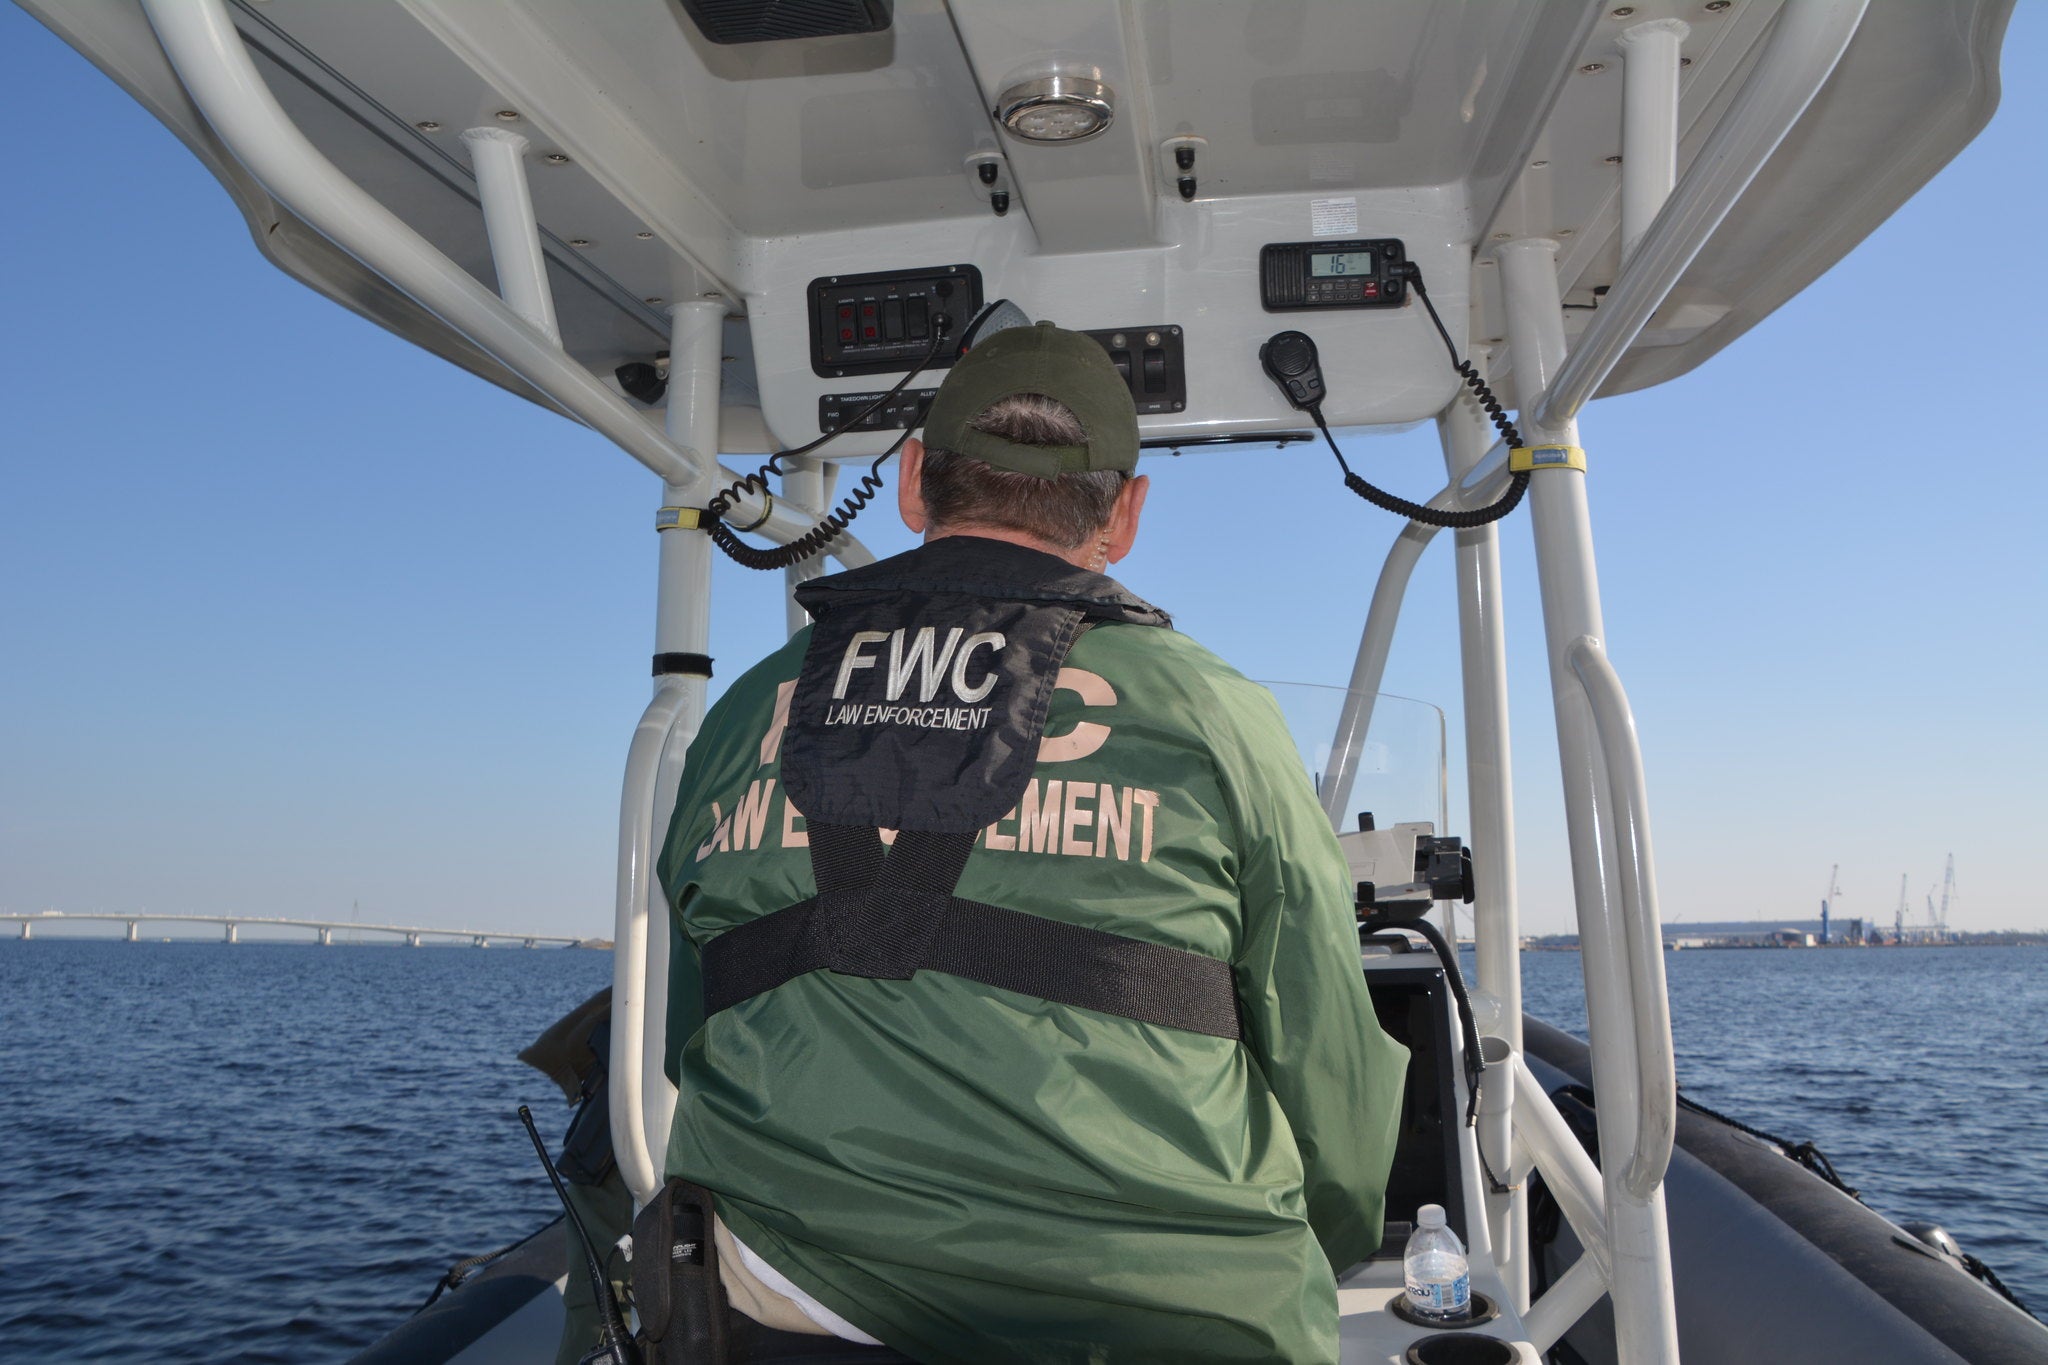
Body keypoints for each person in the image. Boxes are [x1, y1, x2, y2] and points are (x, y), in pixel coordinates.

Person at [656, 321, 1409, 1364]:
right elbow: (1322, 1047)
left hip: (792, 1297)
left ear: (914, 482)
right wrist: (1321, 1237)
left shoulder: (742, 713)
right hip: (1168, 1305)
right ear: (1126, 514)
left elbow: (682, 1031)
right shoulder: (1212, 712)